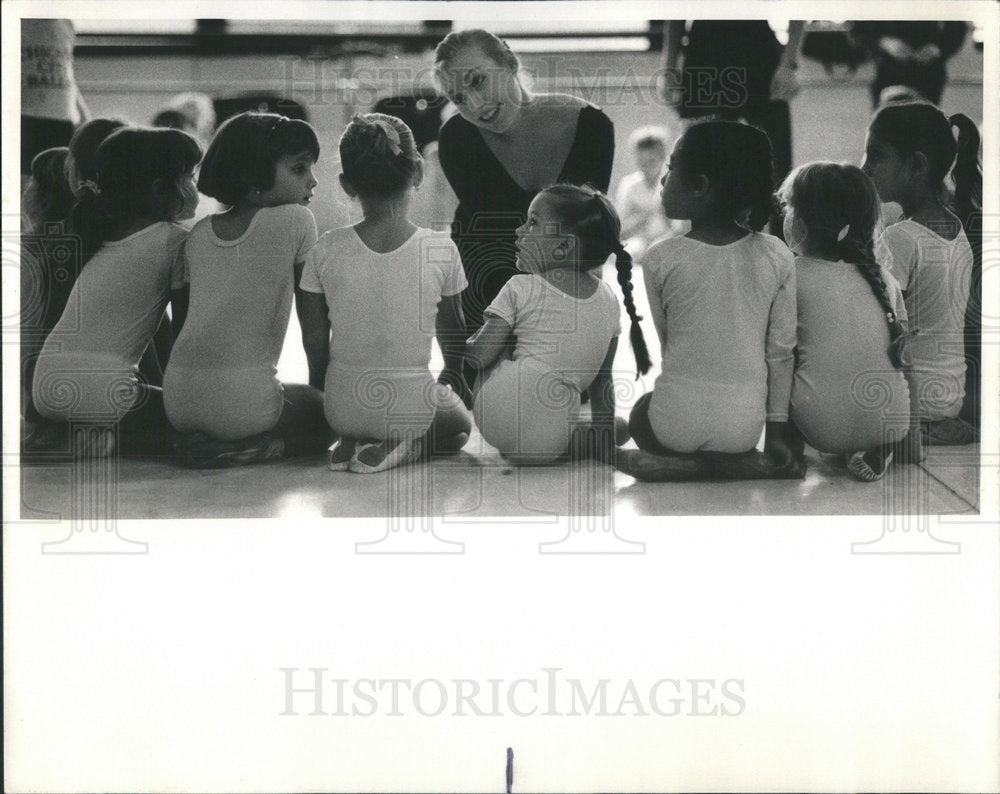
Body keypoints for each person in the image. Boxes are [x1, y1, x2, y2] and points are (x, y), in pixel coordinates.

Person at [617, 120, 802, 482]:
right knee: (714, 413)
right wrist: (775, 434)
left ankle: (684, 465)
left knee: (640, 414)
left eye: (671, 170)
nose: (665, 180)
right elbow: (781, 352)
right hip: (743, 432)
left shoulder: (659, 257)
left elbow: (673, 348)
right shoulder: (777, 254)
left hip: (675, 426)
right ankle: (734, 462)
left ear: (700, 186)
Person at [299, 114, 473, 474]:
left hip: (341, 408)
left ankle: (351, 441)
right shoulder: (440, 248)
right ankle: (404, 445)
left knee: (355, 406)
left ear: (347, 185)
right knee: (459, 429)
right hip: (410, 406)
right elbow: (453, 334)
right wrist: (451, 379)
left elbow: (314, 341)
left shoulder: (324, 248)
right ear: (419, 172)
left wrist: (325, 393)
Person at [163, 112, 333, 467]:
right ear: (255, 176)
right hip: (242, 409)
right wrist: (324, 395)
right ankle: (253, 447)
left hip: (177, 401)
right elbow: (314, 329)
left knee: (258, 395)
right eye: (299, 169)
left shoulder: (197, 234)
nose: (313, 182)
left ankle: (205, 439)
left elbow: (182, 326)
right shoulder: (297, 221)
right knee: (322, 420)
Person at [30, 128, 201, 457]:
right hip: (106, 392)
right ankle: (102, 438)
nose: (195, 188)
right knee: (195, 420)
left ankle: (69, 431)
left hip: (45, 386)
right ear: (159, 189)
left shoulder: (99, 232)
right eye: (190, 177)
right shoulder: (175, 240)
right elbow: (184, 334)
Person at [434, 28, 615, 337]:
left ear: (509, 63)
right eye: (459, 98)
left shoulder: (591, 126)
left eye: (478, 80)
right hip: (488, 297)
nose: (475, 105)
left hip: (569, 297)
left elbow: (588, 241)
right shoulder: (457, 138)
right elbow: (495, 247)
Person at [466, 184, 651, 465]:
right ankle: (572, 443)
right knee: (619, 428)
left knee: (498, 341)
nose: (519, 231)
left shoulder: (519, 286)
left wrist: (478, 333)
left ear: (564, 246)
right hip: (550, 438)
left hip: (495, 413)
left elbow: (478, 358)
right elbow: (603, 380)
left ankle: (520, 442)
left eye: (533, 223)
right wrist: (603, 439)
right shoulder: (610, 300)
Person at [778, 162, 913, 481]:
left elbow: (777, 353)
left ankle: (787, 445)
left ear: (802, 223)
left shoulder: (791, 275)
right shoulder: (882, 277)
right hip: (893, 420)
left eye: (789, 208)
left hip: (821, 427)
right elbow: (904, 352)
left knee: (777, 353)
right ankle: (879, 445)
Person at [862, 101, 981, 445]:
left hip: (911, 403)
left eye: (876, 156)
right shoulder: (956, 229)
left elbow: (872, 324)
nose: (864, 168)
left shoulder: (900, 238)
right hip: (948, 399)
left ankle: (898, 435)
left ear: (916, 165)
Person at [660, 19, 805, 206]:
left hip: (757, 52)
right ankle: (711, 232)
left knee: (777, 167)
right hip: (705, 53)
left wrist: (789, 64)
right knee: (703, 166)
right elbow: (676, 10)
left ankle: (779, 231)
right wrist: (668, 68)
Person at [21, 19, 88, 174]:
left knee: (59, 179)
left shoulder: (65, 23)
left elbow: (65, 75)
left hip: (62, 120)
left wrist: (84, 117)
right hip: (27, 116)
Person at [849, 22, 968, 108]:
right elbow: (857, 29)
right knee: (887, 129)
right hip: (888, 72)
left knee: (925, 128)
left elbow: (958, 26)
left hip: (928, 73)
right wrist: (883, 42)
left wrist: (939, 47)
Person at [614, 126, 683, 257]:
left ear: (663, 159)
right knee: (628, 254)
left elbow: (679, 227)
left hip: (667, 239)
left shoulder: (674, 183)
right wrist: (642, 217)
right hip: (638, 240)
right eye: (641, 161)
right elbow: (620, 227)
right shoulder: (629, 185)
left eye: (652, 161)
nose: (646, 167)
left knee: (662, 253)